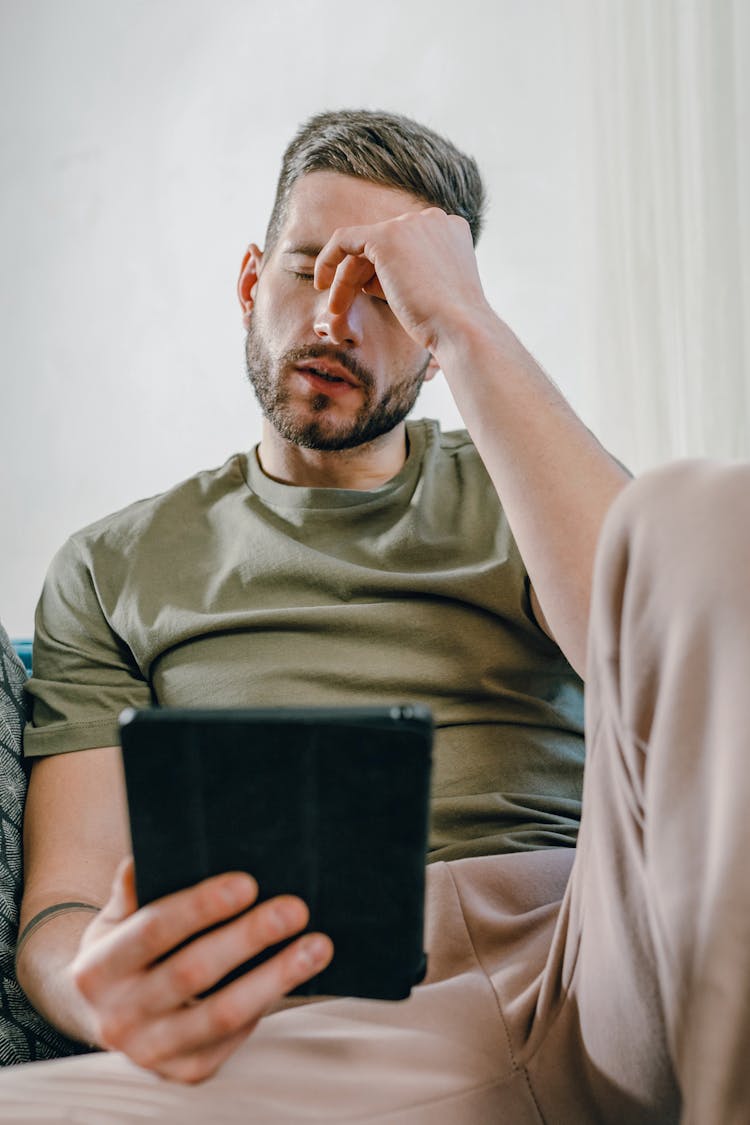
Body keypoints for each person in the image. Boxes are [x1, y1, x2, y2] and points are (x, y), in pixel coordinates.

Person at [3, 109, 748, 1124]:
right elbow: (64, 902)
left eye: (389, 295)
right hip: (310, 1012)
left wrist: (468, 318)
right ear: (248, 284)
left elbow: (658, 640)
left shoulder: (513, 486)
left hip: (597, 955)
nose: (332, 323)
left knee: (705, 511)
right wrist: (101, 987)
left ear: (438, 348)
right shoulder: (110, 563)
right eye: (309, 271)